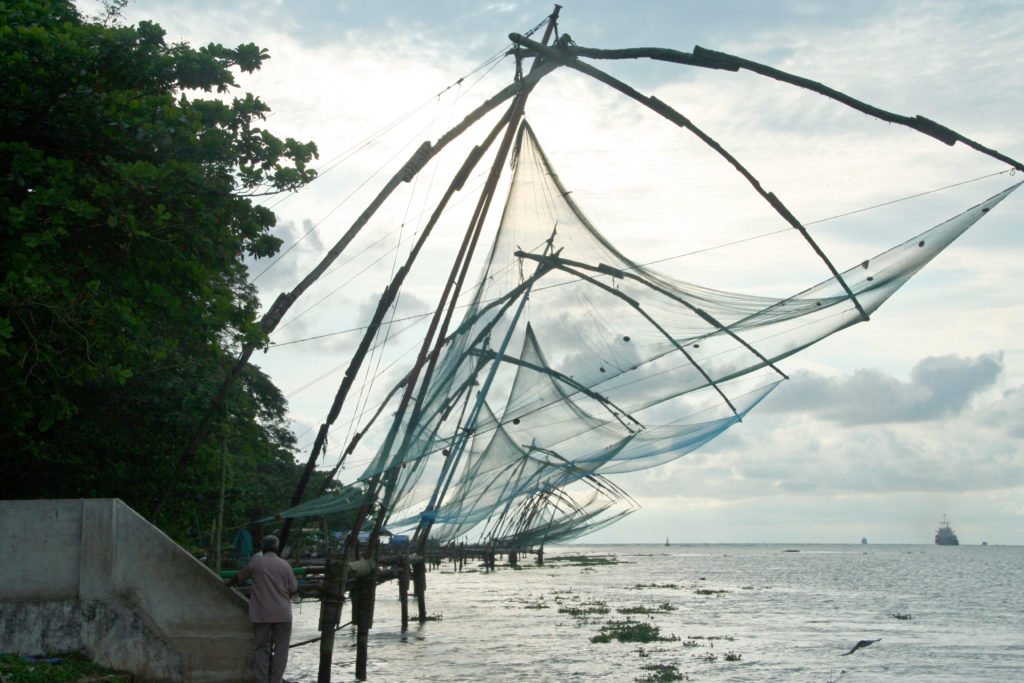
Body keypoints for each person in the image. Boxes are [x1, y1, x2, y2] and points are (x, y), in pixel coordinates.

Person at [234, 535, 297, 683]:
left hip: (262, 614)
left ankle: (262, 679)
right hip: (282, 614)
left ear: (263, 548)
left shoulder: (256, 563)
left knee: (262, 648)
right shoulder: (285, 565)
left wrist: (227, 584)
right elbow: (293, 588)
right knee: (281, 649)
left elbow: (239, 577)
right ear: (276, 548)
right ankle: (276, 680)